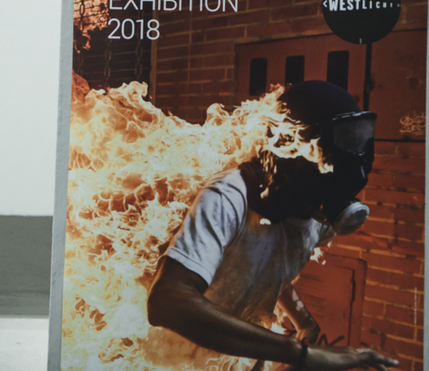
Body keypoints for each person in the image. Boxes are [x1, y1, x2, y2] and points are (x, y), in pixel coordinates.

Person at [148, 81, 398, 370]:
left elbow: (267, 265)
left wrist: (304, 321)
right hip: (174, 362)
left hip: (241, 361)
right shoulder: (229, 197)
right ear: (295, 145)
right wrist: (299, 353)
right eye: (344, 140)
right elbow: (166, 301)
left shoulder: (319, 215)